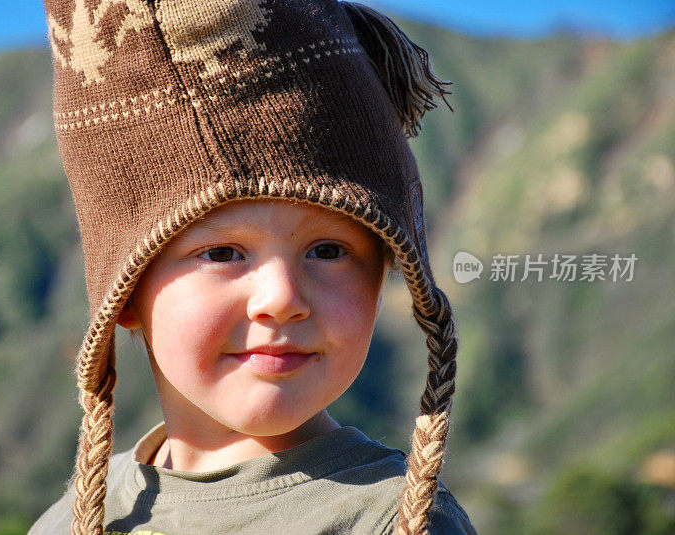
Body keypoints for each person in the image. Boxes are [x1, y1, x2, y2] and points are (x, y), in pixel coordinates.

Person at [31, 0, 476, 533]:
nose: (282, 297)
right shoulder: (76, 520)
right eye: (222, 253)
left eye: (328, 250)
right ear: (124, 292)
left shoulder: (395, 520)